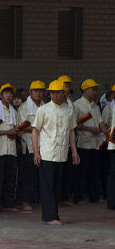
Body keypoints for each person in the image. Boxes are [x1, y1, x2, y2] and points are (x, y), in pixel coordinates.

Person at [33, 80, 80, 225]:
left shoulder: (69, 110)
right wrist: (36, 152)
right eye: (52, 92)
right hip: (47, 152)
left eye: (57, 92)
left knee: (57, 186)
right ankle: (49, 217)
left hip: (61, 153)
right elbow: (35, 130)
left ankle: (54, 214)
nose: (54, 95)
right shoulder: (43, 109)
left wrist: (74, 151)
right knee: (47, 186)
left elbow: (71, 131)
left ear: (63, 93)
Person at [73, 79, 107, 203]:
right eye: (93, 89)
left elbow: (101, 121)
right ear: (86, 90)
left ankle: (94, 196)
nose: (95, 92)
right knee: (82, 172)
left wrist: (105, 130)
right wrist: (90, 129)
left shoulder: (95, 105)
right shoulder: (77, 105)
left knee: (95, 170)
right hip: (84, 142)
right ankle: (79, 196)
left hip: (96, 143)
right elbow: (75, 125)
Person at [0, 84, 19, 212]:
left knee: (10, 178)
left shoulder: (14, 111)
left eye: (10, 93)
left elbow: (17, 129)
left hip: (11, 149)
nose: (8, 95)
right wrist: (8, 132)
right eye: (5, 93)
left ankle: (8, 204)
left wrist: (17, 132)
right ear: (0, 95)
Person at [17, 81, 45, 212]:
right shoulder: (24, 108)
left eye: (41, 91)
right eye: (36, 91)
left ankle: (37, 199)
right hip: (29, 145)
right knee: (28, 175)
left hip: (43, 145)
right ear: (30, 92)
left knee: (40, 175)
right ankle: (25, 201)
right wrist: (38, 127)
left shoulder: (45, 106)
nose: (38, 93)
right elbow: (22, 126)